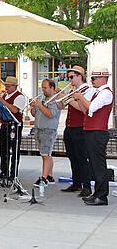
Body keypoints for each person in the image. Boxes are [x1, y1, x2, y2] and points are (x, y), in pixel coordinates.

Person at [73, 67, 114, 206]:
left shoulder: (106, 94)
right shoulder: (98, 93)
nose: (92, 81)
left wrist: (80, 97)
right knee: (94, 165)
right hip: (91, 131)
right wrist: (78, 99)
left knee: (98, 165)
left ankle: (102, 196)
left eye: (94, 78)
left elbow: (91, 107)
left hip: (98, 133)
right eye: (92, 78)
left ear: (103, 78)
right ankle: (97, 193)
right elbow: (85, 110)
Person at [58, 66, 95, 197]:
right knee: (72, 156)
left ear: (80, 76)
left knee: (81, 157)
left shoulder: (87, 90)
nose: (70, 80)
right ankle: (76, 182)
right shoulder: (73, 90)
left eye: (72, 77)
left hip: (80, 128)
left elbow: (82, 108)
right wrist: (61, 98)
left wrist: (68, 98)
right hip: (69, 127)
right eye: (69, 77)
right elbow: (60, 106)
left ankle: (86, 186)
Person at [0, 76, 27, 180]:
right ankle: (4, 171)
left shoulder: (20, 96)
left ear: (15, 86)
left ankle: (13, 174)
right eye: (6, 85)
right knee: (3, 150)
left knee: (14, 150)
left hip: (14, 125)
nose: (6, 87)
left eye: (8, 86)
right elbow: (2, 110)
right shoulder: (4, 95)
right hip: (4, 124)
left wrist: (2, 102)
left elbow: (15, 110)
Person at [30, 79, 61, 187]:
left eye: (45, 88)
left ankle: (43, 178)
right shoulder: (42, 98)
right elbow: (34, 114)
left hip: (48, 130)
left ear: (52, 88)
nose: (43, 90)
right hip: (39, 129)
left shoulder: (54, 100)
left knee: (45, 154)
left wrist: (39, 105)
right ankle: (50, 176)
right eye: (42, 87)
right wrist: (33, 107)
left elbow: (50, 114)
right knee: (46, 154)